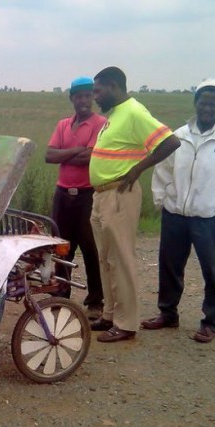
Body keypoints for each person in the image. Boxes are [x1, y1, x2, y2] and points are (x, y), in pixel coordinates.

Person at [88, 66, 180, 342]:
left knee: (121, 259)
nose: (95, 97)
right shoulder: (114, 115)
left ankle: (126, 324)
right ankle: (109, 315)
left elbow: (170, 141)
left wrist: (138, 169)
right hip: (101, 196)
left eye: (98, 91)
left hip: (119, 195)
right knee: (105, 258)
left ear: (115, 87)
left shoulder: (134, 111)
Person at [141, 79, 215, 342]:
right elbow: (163, 169)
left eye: (212, 103)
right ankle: (168, 314)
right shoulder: (180, 135)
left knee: (212, 269)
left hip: (208, 217)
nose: (208, 107)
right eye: (203, 102)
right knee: (170, 265)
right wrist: (161, 198)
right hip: (175, 213)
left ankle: (210, 323)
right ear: (195, 103)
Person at [45, 76, 105, 320]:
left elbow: (89, 157)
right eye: (79, 96)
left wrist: (65, 154)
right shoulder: (63, 125)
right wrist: (76, 151)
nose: (84, 100)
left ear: (92, 97)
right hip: (62, 195)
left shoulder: (101, 123)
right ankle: (61, 295)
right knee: (61, 248)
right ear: (71, 98)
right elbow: (49, 155)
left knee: (91, 249)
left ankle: (95, 302)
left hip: (86, 195)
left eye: (88, 95)